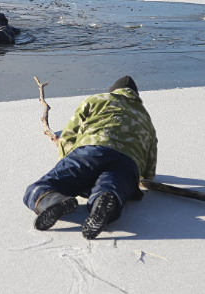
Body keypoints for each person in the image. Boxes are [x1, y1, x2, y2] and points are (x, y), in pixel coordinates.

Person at [23, 76, 158, 239]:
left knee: (41, 187)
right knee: (113, 186)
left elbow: (69, 134)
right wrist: (143, 176)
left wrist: (66, 158)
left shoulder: (96, 100)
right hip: (127, 162)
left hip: (92, 150)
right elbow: (150, 162)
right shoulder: (145, 116)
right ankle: (104, 200)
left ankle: (52, 201)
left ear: (112, 91)